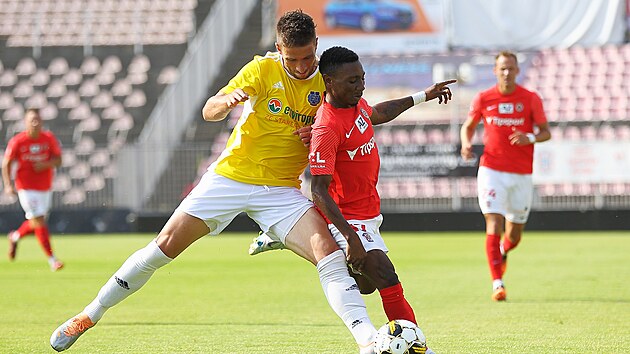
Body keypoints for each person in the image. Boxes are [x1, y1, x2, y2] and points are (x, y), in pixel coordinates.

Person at [50, 10, 378, 354]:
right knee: (163, 248)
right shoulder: (261, 69)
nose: (300, 66)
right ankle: (90, 314)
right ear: (278, 48)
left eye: (307, 56)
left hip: (282, 190)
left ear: (317, 45)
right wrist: (225, 102)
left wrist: (320, 131)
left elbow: (357, 116)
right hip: (230, 178)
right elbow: (210, 109)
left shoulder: (328, 78)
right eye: (291, 58)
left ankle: (368, 341)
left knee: (329, 258)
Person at [310, 46, 454, 337]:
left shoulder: (357, 106)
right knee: (387, 275)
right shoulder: (327, 127)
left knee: (367, 284)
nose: (360, 86)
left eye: (362, 78)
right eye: (352, 81)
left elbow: (380, 112)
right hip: (350, 219)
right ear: (329, 81)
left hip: (369, 214)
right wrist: (350, 236)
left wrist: (423, 95)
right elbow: (318, 191)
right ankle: (415, 343)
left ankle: (347, 267)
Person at [460, 50, 551, 302]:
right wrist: (466, 144)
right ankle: (497, 283)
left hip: (521, 174)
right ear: (495, 71)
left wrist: (529, 137)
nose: (507, 73)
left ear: (517, 71)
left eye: (511, 68)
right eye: (502, 68)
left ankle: (502, 251)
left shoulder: (530, 99)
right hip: (491, 170)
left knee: (514, 235)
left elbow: (546, 132)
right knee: (493, 224)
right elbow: (468, 127)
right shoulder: (484, 98)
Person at [2, 108, 64, 272]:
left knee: (36, 222)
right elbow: (6, 163)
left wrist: (46, 164)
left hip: (45, 187)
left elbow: (58, 161)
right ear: (26, 123)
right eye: (32, 120)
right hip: (26, 187)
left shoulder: (48, 139)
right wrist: (8, 185)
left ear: (42, 121)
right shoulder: (18, 141)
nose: (35, 123)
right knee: (40, 221)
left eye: (37, 120)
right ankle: (53, 260)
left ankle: (15, 237)